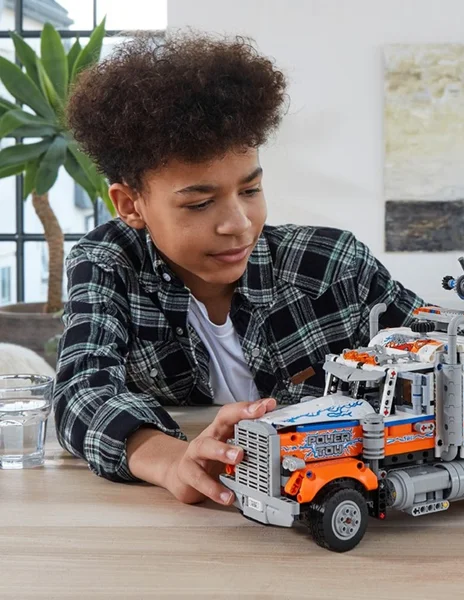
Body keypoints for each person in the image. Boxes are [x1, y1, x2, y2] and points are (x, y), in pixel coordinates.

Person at [54, 31, 424, 507]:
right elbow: (81, 391)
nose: (238, 224)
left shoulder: (335, 266)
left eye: (250, 191)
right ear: (131, 204)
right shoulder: (109, 264)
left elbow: (448, 355)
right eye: (200, 203)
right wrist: (171, 460)